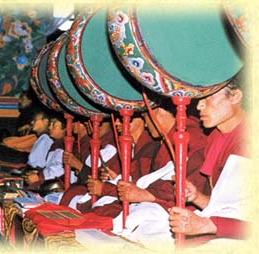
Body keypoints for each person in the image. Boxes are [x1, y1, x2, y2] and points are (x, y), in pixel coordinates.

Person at [111, 97, 208, 246]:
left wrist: (146, 195)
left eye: (145, 117)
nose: (146, 126)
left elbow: (192, 182)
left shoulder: (191, 135)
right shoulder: (165, 140)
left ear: (160, 112)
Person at [168, 71, 250, 245]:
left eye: (207, 97)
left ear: (235, 96)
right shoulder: (214, 137)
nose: (199, 106)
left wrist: (205, 225)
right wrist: (196, 196)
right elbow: (227, 208)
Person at [59, 119, 121, 209]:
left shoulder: (112, 145)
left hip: (105, 196)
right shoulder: (91, 142)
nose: (86, 123)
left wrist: (79, 166)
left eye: (90, 120)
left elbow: (99, 179)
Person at [24, 115, 77, 193]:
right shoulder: (55, 144)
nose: (49, 128)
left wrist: (40, 176)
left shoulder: (65, 146)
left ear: (65, 129)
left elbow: (59, 169)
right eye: (50, 124)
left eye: (54, 126)